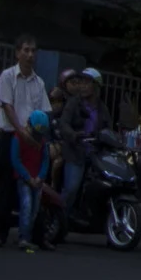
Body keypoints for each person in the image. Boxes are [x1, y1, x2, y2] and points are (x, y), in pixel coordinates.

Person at [0, 37, 49, 235]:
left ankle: (34, 234)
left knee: (35, 185)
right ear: (17, 52)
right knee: (5, 185)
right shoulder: (7, 76)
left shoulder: (39, 82)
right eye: (26, 50)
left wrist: (37, 136)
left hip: (33, 140)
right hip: (11, 135)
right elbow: (7, 106)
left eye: (33, 51)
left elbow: (44, 111)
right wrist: (20, 130)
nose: (30, 55)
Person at [10, 107, 62, 251]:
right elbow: (15, 160)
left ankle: (28, 236)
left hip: (37, 180)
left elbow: (45, 160)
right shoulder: (18, 138)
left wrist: (40, 177)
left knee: (34, 209)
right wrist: (28, 177)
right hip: (24, 179)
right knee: (26, 205)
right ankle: (23, 238)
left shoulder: (42, 142)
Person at [57, 68, 106, 217]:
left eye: (87, 83)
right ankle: (59, 219)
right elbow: (63, 124)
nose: (83, 86)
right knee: (71, 188)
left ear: (96, 86)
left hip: (96, 155)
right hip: (76, 152)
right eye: (81, 82)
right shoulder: (73, 103)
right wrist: (74, 135)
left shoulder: (102, 108)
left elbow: (108, 128)